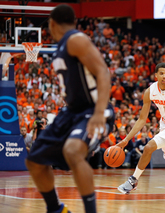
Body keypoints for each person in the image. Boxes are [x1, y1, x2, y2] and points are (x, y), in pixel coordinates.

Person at [25, 5, 113, 213]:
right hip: (71, 112)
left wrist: (99, 112)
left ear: (52, 24)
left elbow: (103, 72)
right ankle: (56, 209)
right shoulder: (62, 45)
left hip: (92, 110)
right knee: (35, 159)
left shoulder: (76, 40)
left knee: (73, 151)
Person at [117, 62, 165, 196]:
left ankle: (133, 180)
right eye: (161, 73)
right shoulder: (150, 91)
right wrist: (126, 139)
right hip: (164, 124)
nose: (164, 76)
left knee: (148, 147)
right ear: (156, 75)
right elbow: (142, 119)